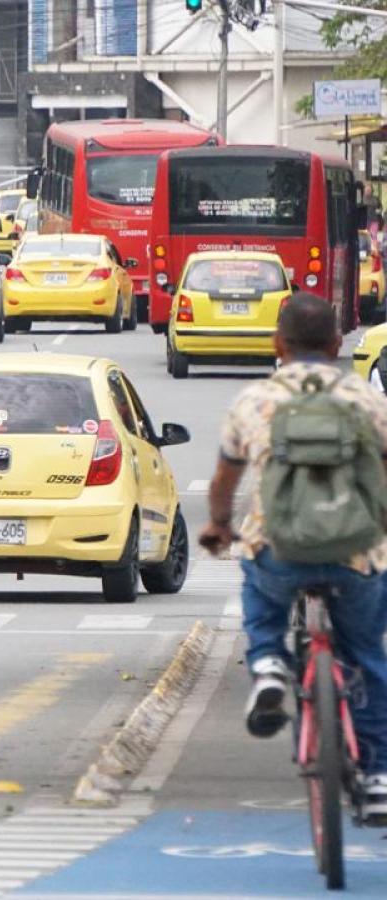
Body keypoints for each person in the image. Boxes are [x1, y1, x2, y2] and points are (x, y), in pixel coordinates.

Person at [199, 292, 387, 822]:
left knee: (259, 592)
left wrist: (219, 525)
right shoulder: (369, 402)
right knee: (367, 657)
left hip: (279, 550)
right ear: (336, 343)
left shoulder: (255, 401)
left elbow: (224, 479)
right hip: (356, 553)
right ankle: (377, 778)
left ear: (277, 343)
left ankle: (268, 665)